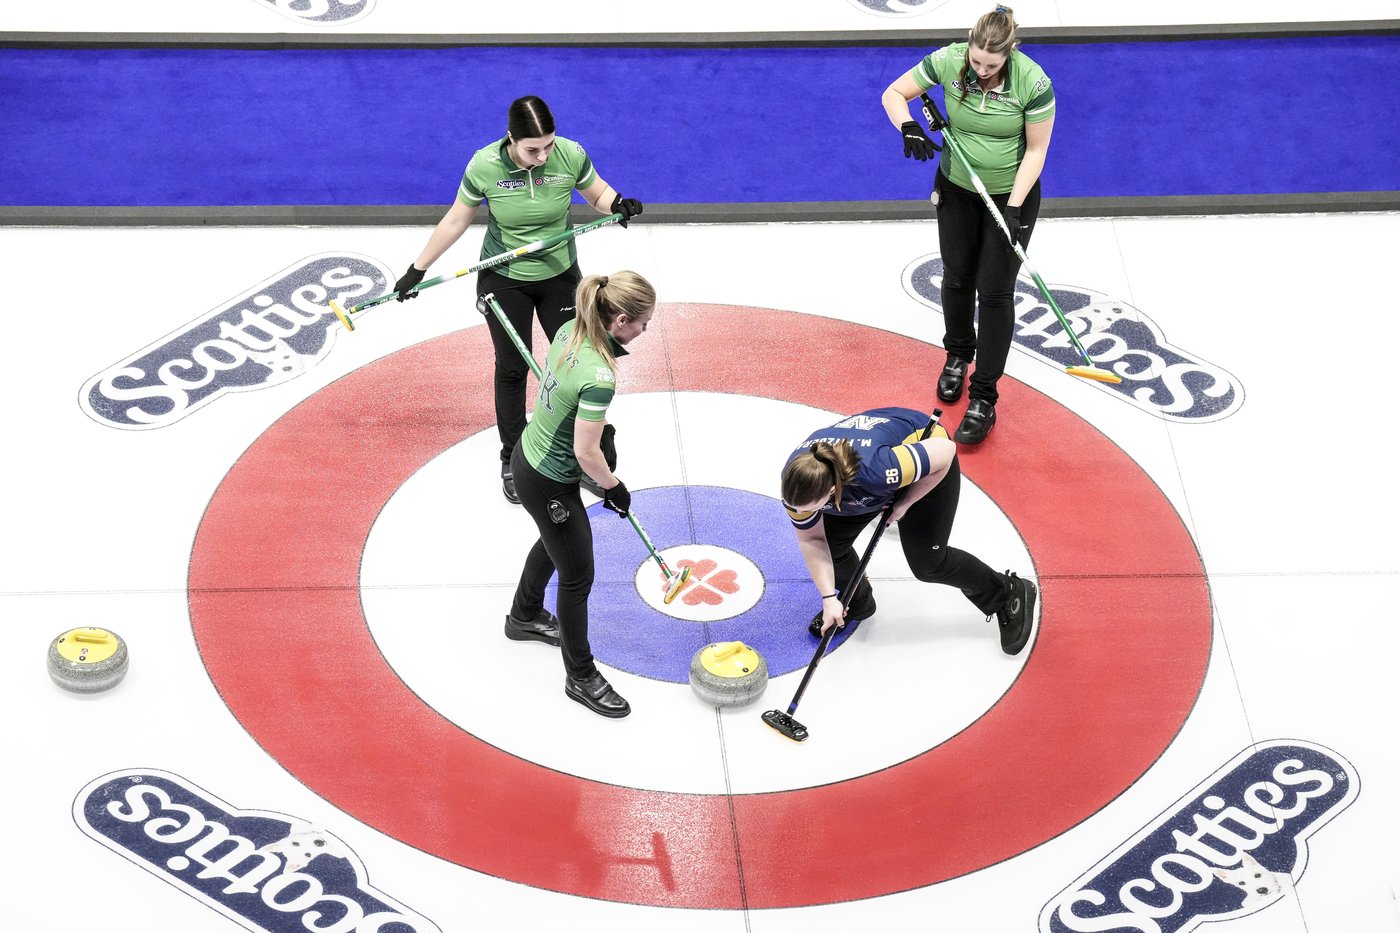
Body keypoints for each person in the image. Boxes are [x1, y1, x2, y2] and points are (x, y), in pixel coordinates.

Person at [395, 95, 643, 501]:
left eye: (548, 145)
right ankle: (513, 457)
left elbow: (596, 194)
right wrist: (417, 269)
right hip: (504, 276)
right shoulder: (484, 165)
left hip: (560, 274)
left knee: (574, 365)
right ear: (511, 138)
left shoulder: (570, 155)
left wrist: (617, 204)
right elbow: (458, 218)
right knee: (513, 367)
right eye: (532, 149)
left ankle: (583, 451)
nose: (543, 155)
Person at [881, 6, 1055, 444]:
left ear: (1010, 53)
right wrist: (909, 126)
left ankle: (984, 397)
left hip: (1008, 195)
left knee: (994, 292)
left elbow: (1035, 152)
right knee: (957, 278)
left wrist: (1013, 210)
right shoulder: (948, 60)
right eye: (976, 61)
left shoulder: (1033, 83)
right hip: (957, 187)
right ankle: (958, 355)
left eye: (990, 65)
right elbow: (894, 93)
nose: (980, 70)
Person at [503, 271, 656, 719]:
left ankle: (524, 615)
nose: (644, 331)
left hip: (527, 455)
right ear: (621, 319)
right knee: (577, 577)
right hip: (549, 478)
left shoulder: (572, 329)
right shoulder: (600, 375)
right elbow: (586, 452)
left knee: (555, 543)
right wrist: (613, 486)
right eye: (642, 323)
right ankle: (581, 676)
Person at [780, 406, 1036, 655]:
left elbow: (946, 451)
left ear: (831, 492)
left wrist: (904, 503)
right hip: (862, 485)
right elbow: (812, 539)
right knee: (831, 547)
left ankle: (1007, 592)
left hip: (925, 464)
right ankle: (854, 601)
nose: (800, 512)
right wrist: (828, 598)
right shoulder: (797, 483)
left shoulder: (876, 471)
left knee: (928, 562)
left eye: (812, 508)